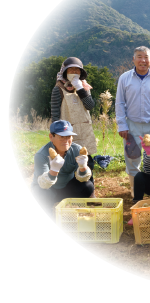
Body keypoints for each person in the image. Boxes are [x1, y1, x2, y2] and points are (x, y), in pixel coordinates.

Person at [115, 46, 150, 198]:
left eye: (146, 57)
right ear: (133, 59)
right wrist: (122, 125)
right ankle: (135, 192)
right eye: (139, 56)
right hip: (132, 126)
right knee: (132, 161)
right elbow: (119, 103)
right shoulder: (125, 78)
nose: (143, 60)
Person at [31, 120, 94, 219]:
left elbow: (83, 178)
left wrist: (83, 167)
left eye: (68, 137)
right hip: (49, 190)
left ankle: (75, 210)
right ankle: (47, 212)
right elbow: (43, 184)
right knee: (40, 194)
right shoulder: (41, 155)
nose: (65, 140)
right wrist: (54, 170)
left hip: (67, 187)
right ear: (51, 137)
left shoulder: (77, 150)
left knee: (87, 186)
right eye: (61, 137)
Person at [51, 57, 96, 193]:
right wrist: (55, 136)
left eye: (77, 70)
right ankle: (70, 193)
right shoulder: (58, 89)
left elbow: (90, 105)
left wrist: (80, 87)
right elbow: (54, 114)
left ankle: (89, 192)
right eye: (71, 69)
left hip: (85, 132)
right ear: (65, 72)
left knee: (87, 163)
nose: (74, 72)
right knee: (70, 164)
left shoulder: (84, 87)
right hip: (67, 134)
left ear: (81, 72)